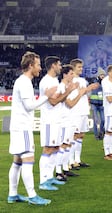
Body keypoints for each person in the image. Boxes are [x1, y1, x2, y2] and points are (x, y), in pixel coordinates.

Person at [8, 51, 56, 205]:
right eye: (38, 65)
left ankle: (13, 194)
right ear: (30, 65)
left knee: (17, 162)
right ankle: (32, 196)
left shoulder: (22, 81)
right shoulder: (24, 82)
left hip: (18, 126)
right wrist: (46, 96)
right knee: (28, 160)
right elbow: (29, 106)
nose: (40, 68)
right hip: (23, 128)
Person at [38, 56, 77, 190]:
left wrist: (67, 91)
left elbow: (58, 100)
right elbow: (53, 102)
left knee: (55, 148)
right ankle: (43, 181)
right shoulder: (47, 81)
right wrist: (68, 91)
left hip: (57, 120)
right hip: (49, 120)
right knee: (48, 149)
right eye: (59, 65)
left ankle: (49, 177)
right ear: (53, 65)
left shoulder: (54, 80)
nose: (61, 67)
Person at [68, 58, 99, 169]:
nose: (81, 69)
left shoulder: (82, 80)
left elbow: (84, 94)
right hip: (75, 112)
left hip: (83, 110)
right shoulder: (71, 80)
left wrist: (87, 90)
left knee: (81, 135)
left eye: (82, 67)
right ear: (73, 68)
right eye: (79, 67)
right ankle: (71, 161)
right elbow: (76, 95)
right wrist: (88, 89)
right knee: (74, 136)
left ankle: (77, 159)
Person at [58, 64, 87, 178]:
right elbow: (70, 104)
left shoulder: (69, 86)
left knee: (68, 144)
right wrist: (79, 94)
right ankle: (59, 171)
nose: (72, 76)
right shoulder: (62, 87)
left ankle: (65, 168)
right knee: (63, 145)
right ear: (65, 75)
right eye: (71, 74)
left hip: (70, 118)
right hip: (64, 119)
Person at [90, 67, 106, 140]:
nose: (103, 76)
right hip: (94, 103)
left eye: (103, 75)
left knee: (103, 120)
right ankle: (96, 135)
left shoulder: (105, 82)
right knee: (96, 120)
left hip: (102, 103)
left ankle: (101, 133)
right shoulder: (94, 81)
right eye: (101, 75)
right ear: (99, 75)